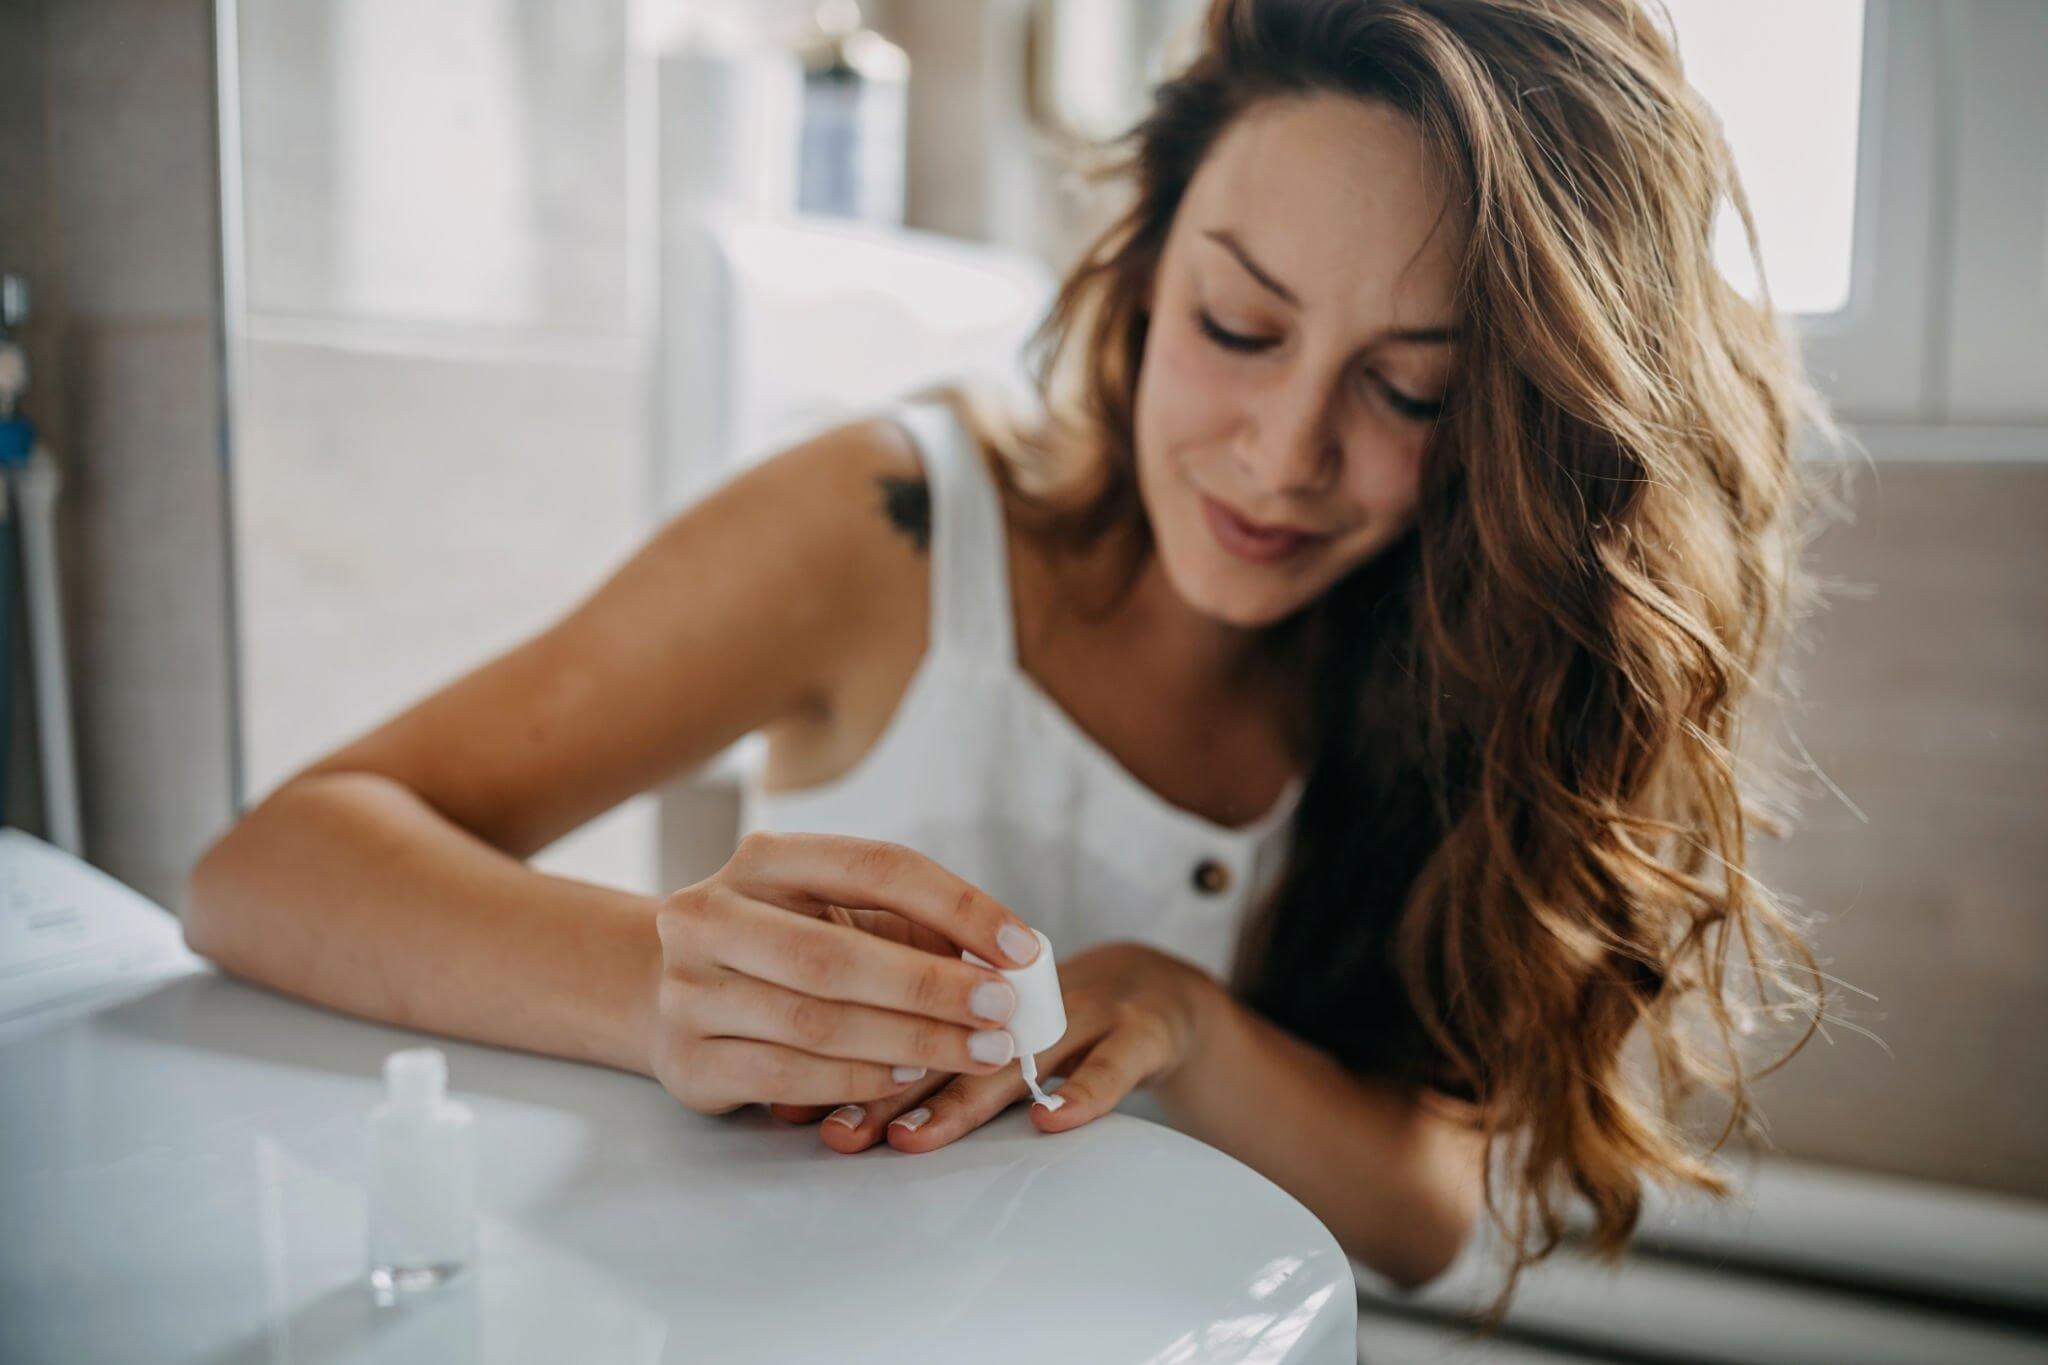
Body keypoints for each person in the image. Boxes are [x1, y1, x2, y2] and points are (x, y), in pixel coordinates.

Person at [184, 0, 1837, 1295]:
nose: (1282, 452)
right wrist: (655, 986)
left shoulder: (1449, 660)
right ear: (1139, 268)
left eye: (1407, 391)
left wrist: (1184, 1020)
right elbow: (264, 869)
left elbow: (1421, 1215)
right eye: (1238, 326)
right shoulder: (890, 528)